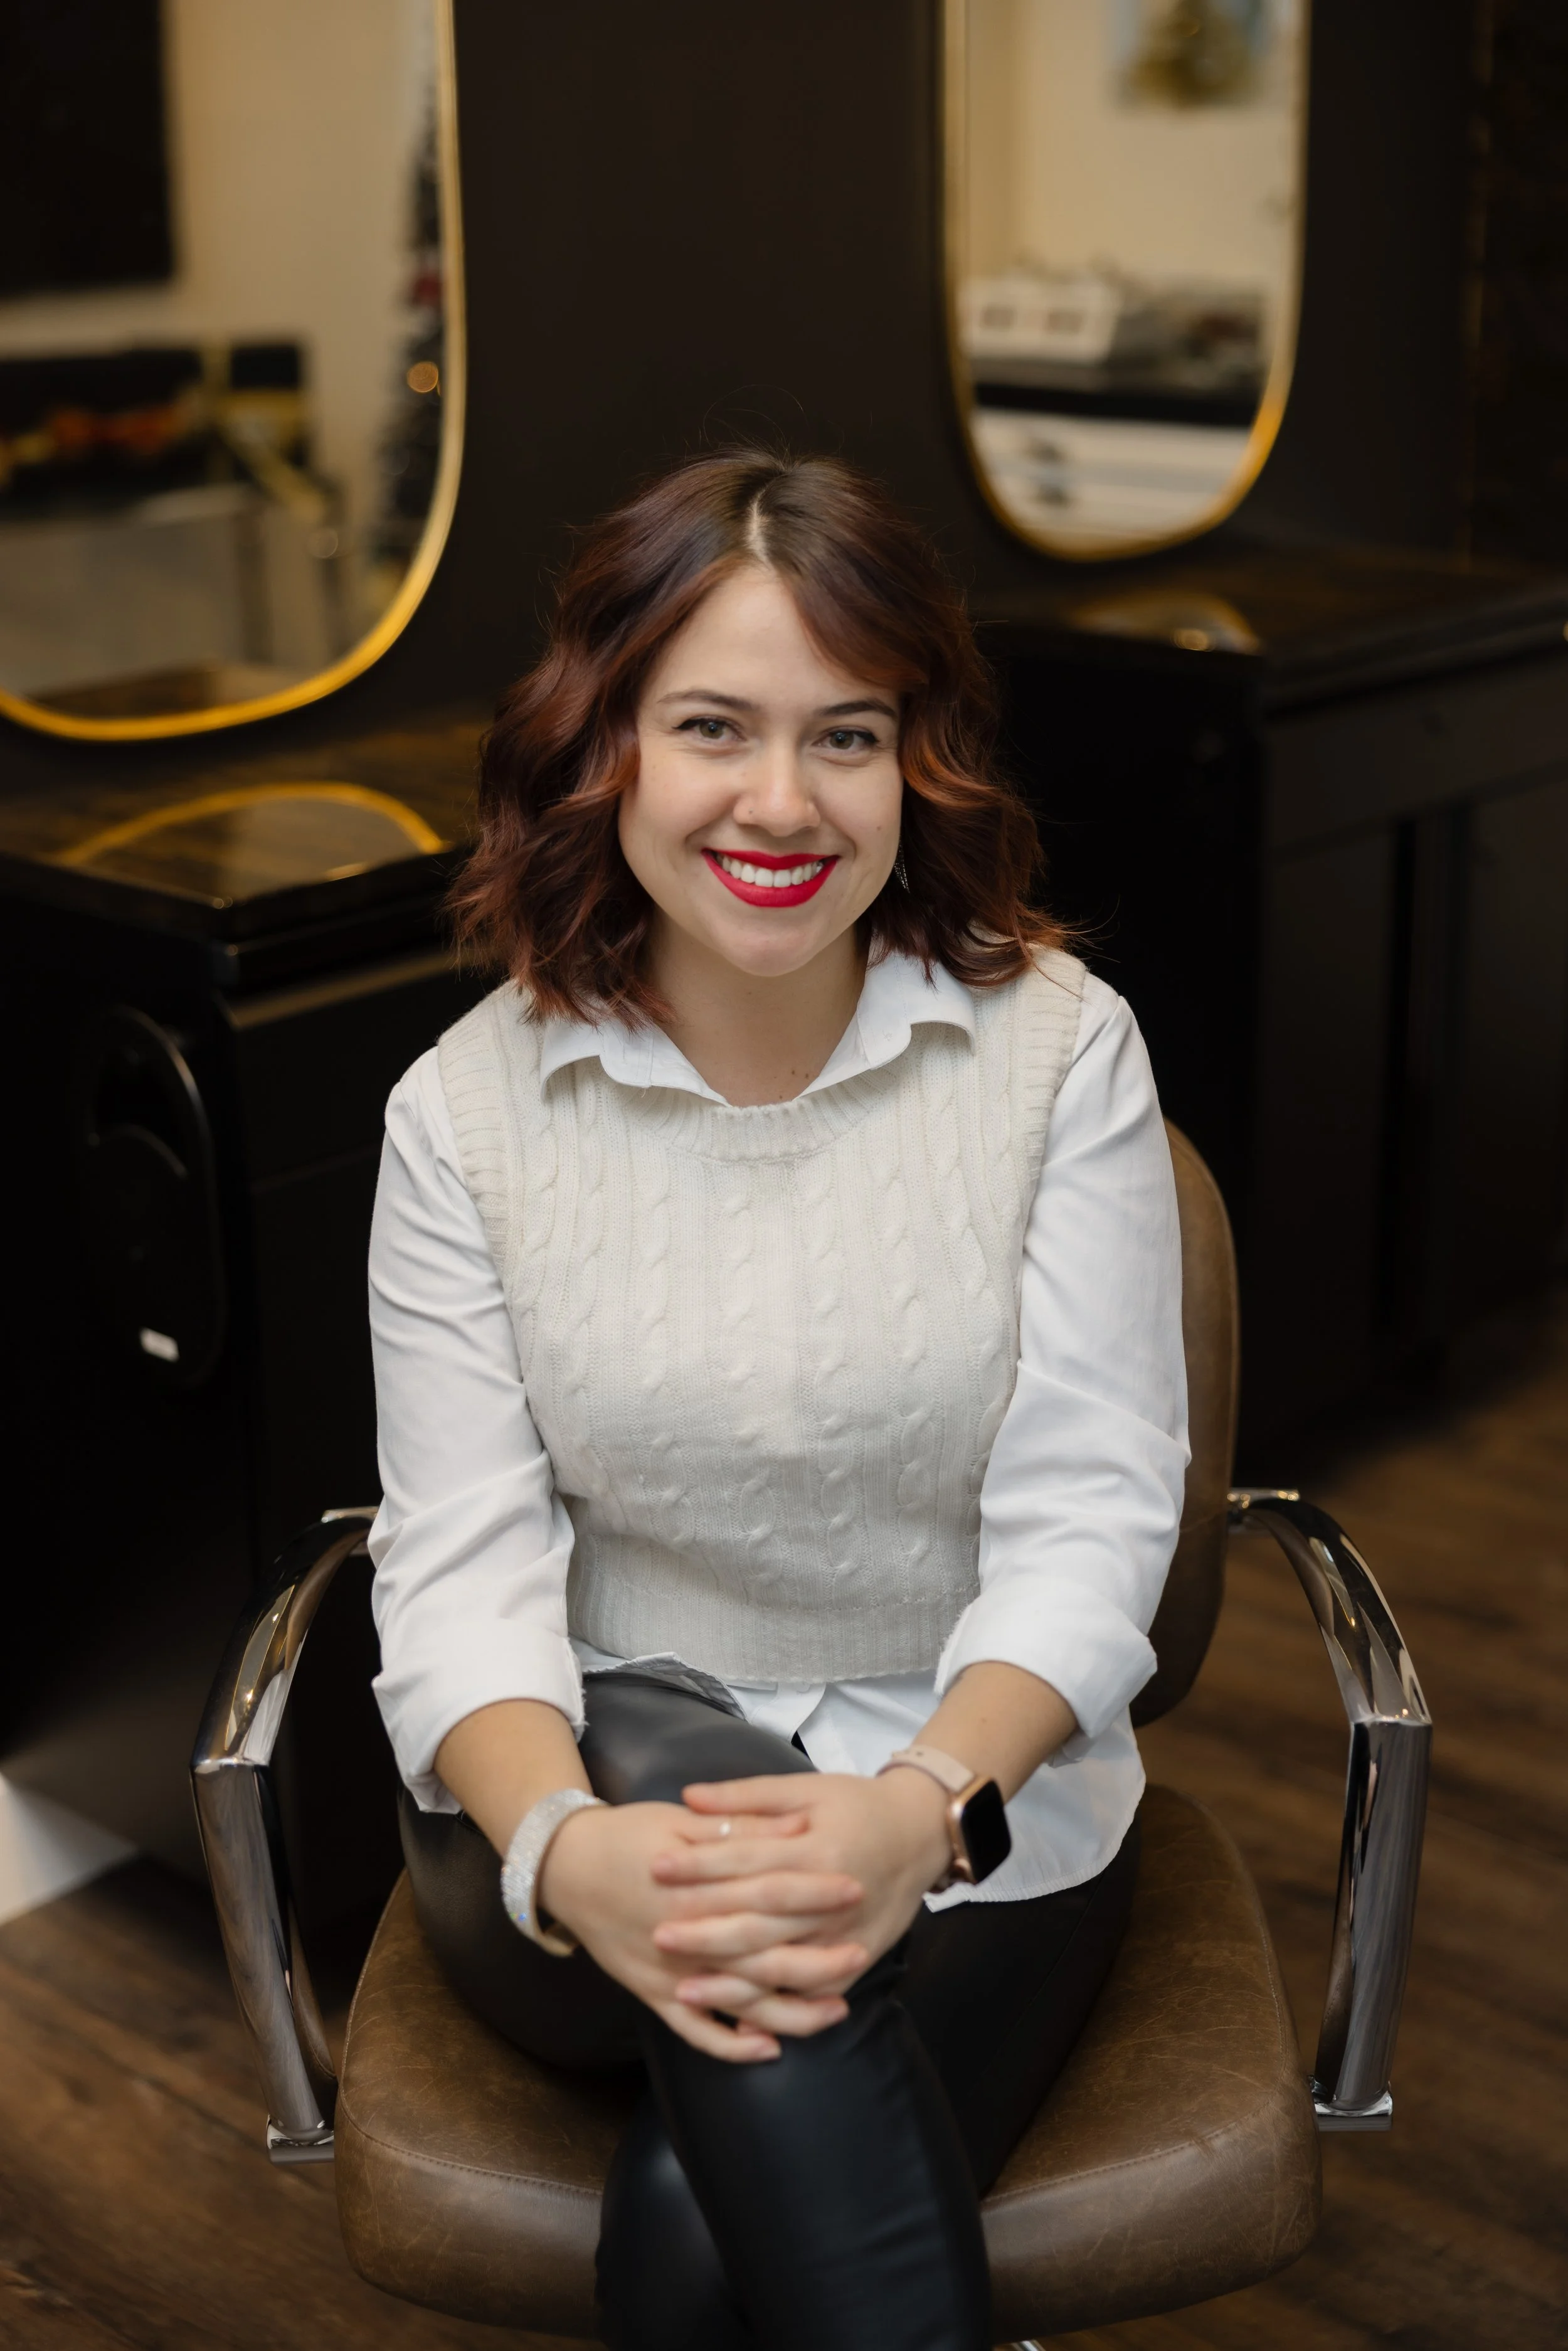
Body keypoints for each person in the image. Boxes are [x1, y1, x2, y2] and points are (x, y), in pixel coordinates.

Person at [366, 448, 1188, 2351]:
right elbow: (462, 1582)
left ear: (917, 761)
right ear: (608, 749)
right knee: (666, 1754)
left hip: (974, 1825)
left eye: (845, 735)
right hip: (577, 1812)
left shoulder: (1058, 1052)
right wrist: (571, 1847)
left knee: (700, 2241)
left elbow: (1091, 1516)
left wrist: (918, 1806)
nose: (777, 800)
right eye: (711, 726)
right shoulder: (464, 1116)